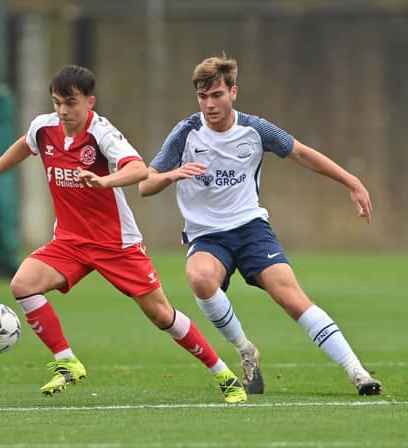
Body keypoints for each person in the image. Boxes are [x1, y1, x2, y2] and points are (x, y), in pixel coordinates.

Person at [0, 64, 247, 403]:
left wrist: (105, 180)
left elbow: (137, 169)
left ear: (89, 102)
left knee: (161, 315)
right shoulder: (44, 127)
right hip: (69, 241)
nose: (63, 111)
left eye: (71, 103)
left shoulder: (102, 134)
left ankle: (224, 375)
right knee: (23, 285)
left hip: (115, 244)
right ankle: (67, 362)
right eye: (57, 102)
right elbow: (24, 144)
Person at [138, 55, 382, 396]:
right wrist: (171, 174)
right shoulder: (186, 132)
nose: (210, 104)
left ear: (233, 92)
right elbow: (145, 185)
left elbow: (302, 153)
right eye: (203, 97)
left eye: (217, 95)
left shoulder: (255, 129)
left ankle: (357, 372)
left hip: (250, 228)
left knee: (292, 298)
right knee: (199, 277)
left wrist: (351, 181)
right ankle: (245, 350)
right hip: (207, 235)